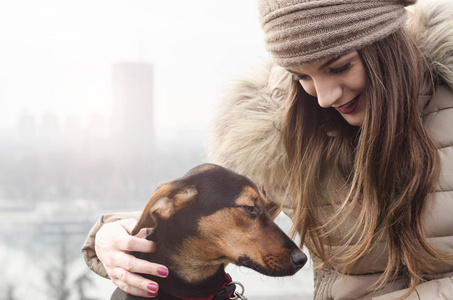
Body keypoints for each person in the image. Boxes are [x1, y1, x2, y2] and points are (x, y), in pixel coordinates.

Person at [82, 0, 453, 299]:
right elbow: (206, 204)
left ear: (384, 43)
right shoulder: (273, 129)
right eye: (302, 76)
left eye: (339, 66)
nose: (324, 97)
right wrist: (111, 234)